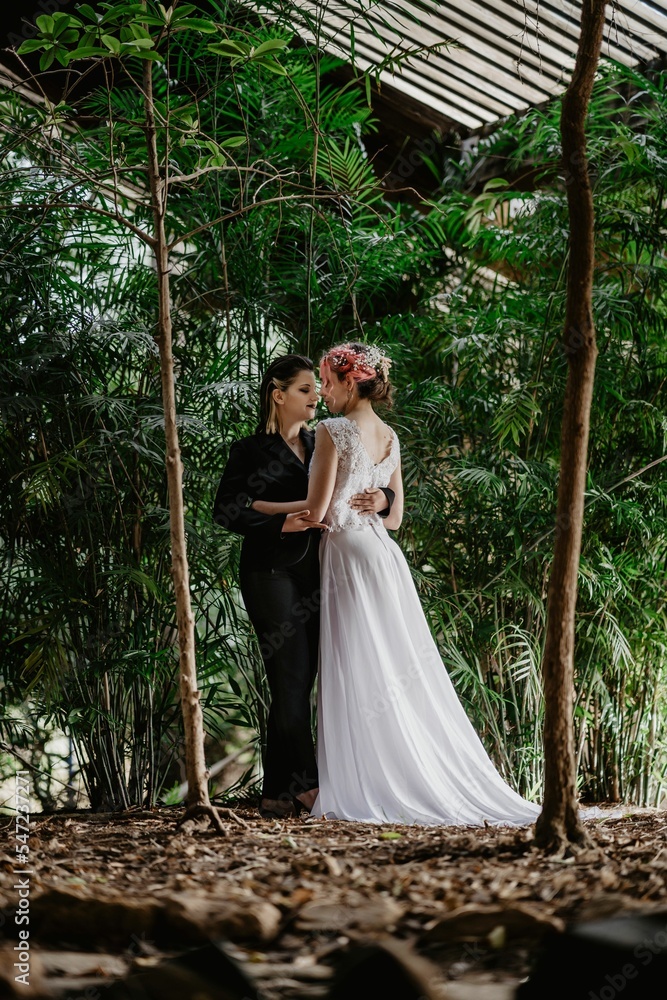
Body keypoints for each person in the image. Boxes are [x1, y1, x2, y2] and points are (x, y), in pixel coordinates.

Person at [250, 342, 542, 826]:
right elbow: (396, 518)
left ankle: (360, 781)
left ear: (349, 382)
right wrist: (381, 498)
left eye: (326, 381)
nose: (322, 392)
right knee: (387, 664)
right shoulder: (390, 435)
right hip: (383, 558)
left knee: (356, 663)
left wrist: (260, 508)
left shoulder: (332, 430)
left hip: (345, 555)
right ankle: (393, 772)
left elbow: (318, 512)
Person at [212, 354, 394, 819]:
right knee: (290, 678)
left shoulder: (324, 440)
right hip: (270, 572)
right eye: (305, 389)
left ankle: (278, 793)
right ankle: (310, 789)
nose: (317, 396)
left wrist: (385, 496)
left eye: (319, 387)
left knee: (303, 680)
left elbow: (345, 490)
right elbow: (228, 511)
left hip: (319, 572)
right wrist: (279, 522)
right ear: (278, 395)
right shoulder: (249, 450)